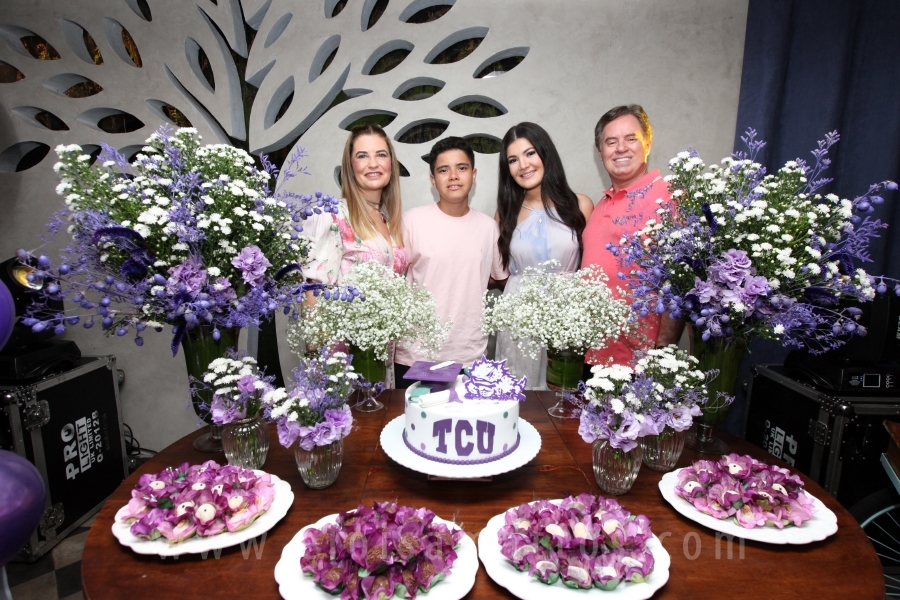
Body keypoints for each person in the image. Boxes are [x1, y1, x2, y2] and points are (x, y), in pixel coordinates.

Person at [394, 137, 508, 387]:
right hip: (418, 354)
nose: (453, 176)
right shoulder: (412, 221)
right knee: (416, 425)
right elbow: (391, 279)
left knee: (466, 426)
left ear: (474, 175)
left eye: (462, 168)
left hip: (469, 356)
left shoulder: (489, 227)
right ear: (433, 180)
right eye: (443, 170)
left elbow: (501, 278)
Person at [581, 105, 683, 372]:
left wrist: (662, 353)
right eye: (611, 142)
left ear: (648, 144)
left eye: (630, 139)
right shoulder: (601, 204)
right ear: (601, 152)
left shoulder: (668, 196)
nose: (621, 148)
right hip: (595, 355)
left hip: (641, 363)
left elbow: (683, 280)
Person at [494, 122, 594, 388]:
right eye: (513, 160)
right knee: (520, 395)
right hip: (518, 318)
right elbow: (502, 272)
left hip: (567, 317)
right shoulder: (506, 213)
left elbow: (590, 268)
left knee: (563, 394)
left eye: (530, 153)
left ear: (545, 154)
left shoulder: (580, 205)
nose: (523, 165)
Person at [302, 124, 407, 286]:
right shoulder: (331, 216)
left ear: (391, 164)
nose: (373, 164)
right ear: (350, 167)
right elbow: (311, 294)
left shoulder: (389, 221)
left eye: (381, 155)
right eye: (362, 156)